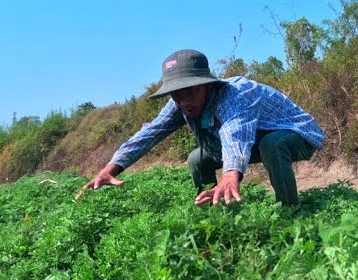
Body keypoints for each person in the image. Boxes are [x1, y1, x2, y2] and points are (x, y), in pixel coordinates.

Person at [83, 49, 324, 207]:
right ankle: (216, 209)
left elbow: (235, 134)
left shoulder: (236, 94)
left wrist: (230, 175)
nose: (184, 102)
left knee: (273, 144)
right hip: (255, 142)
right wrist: (112, 168)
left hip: (296, 134)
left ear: (207, 85)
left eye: (190, 93)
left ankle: (290, 213)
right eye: (177, 96)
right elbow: (151, 131)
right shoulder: (179, 102)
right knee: (197, 159)